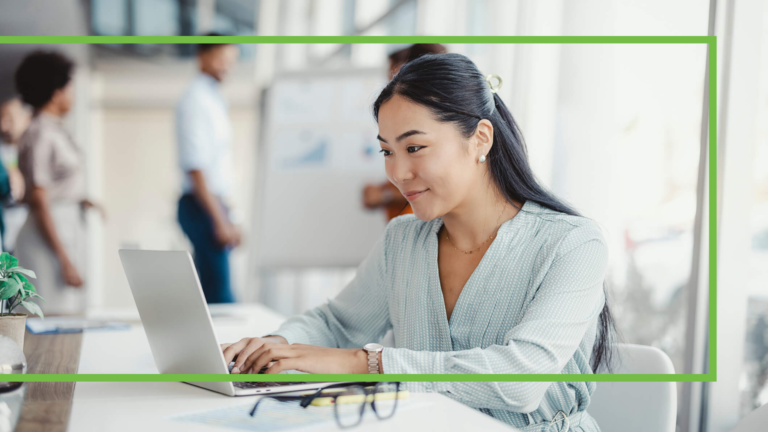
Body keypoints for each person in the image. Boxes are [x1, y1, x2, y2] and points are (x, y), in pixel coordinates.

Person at [221, 53, 618, 431]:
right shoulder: (404, 239)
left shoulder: (572, 244)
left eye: (414, 148)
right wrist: (274, 346)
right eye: (386, 151)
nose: (397, 172)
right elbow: (337, 324)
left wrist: (368, 363)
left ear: (480, 139)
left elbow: (520, 378)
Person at [14, 51, 100, 314]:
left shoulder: (53, 128)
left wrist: (82, 198)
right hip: (48, 231)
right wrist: (64, 259)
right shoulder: (40, 132)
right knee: (50, 317)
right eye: (69, 88)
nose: (72, 95)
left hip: (64, 223)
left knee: (68, 312)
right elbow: (40, 197)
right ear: (56, 93)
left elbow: (58, 182)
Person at [176, 35, 240, 304]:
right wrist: (220, 220)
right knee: (219, 297)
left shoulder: (213, 99)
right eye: (221, 58)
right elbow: (197, 167)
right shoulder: (196, 100)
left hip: (214, 205)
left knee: (213, 292)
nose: (226, 66)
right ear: (202, 55)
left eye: (231, 61)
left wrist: (230, 216)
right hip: (202, 206)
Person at [362, 43, 447, 221]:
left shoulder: (437, 120)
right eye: (386, 151)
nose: (391, 88)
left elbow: (438, 181)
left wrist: (384, 195)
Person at [0, 98, 31, 252]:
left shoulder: (35, 150)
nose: (3, 126)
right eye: (1, 118)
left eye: (10, 119)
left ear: (27, 118)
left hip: (32, 238)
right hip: (7, 242)